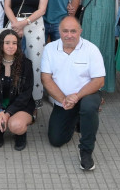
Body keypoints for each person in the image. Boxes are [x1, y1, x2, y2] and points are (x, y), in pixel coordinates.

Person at [41, 16, 105, 172]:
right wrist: (64, 99)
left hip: (85, 96)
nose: (69, 35)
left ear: (80, 32)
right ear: (59, 31)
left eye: (73, 31)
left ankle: (86, 152)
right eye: (65, 31)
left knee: (88, 107)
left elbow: (99, 81)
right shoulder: (50, 48)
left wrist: (76, 97)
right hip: (63, 101)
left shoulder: (91, 49)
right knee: (56, 140)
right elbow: (46, 79)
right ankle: (77, 119)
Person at [4, 0, 48, 110]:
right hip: (13, 23)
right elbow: (7, 5)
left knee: (35, 63)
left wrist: (24, 23)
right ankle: (10, 97)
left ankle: (34, 101)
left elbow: (42, 9)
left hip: (34, 24)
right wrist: (16, 24)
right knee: (10, 61)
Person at [0, 29, 34, 151]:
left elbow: (26, 93)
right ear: (1, 45)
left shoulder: (26, 64)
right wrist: (0, 111)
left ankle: (20, 134)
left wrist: (8, 112)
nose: (11, 46)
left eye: (14, 43)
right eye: (7, 43)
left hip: (21, 105)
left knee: (16, 125)